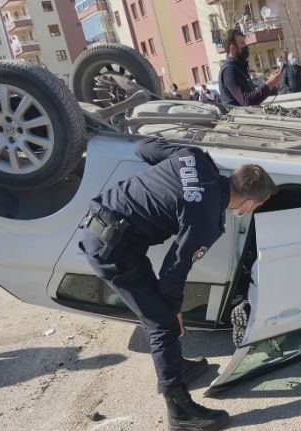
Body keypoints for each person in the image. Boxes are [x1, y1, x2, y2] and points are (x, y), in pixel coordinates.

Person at [80, 138, 277, 431]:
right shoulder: (207, 219)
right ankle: (179, 411)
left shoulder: (196, 157)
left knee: (159, 315)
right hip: (113, 250)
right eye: (257, 206)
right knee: (162, 324)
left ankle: (177, 365)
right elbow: (174, 269)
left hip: (109, 227)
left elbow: (143, 148)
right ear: (248, 203)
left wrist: (169, 185)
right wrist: (175, 310)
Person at [218, 29, 281, 107]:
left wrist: (272, 87)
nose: (246, 47)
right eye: (242, 44)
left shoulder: (239, 68)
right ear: (232, 48)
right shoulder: (230, 71)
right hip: (239, 117)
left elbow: (253, 95)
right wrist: (269, 84)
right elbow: (246, 101)